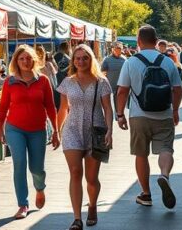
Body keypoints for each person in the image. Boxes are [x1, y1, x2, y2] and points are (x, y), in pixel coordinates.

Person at [115, 25, 182, 210]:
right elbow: (178, 89)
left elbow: (122, 91)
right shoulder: (168, 61)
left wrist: (120, 114)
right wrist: (175, 110)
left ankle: (145, 194)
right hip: (164, 114)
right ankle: (164, 175)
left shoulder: (130, 62)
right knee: (166, 149)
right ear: (156, 40)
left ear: (138, 41)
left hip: (139, 116)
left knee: (141, 154)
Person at [0, 45, 59, 219]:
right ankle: (22, 204)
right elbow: (3, 107)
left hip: (38, 129)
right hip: (15, 129)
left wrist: (56, 130)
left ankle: (40, 188)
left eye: (28, 58)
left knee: (37, 168)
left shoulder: (43, 81)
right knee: (19, 163)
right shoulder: (9, 81)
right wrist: (0, 129)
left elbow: (50, 106)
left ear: (34, 60)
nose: (25, 61)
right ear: (16, 61)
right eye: (21, 58)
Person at [56, 44, 113, 229]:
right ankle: (77, 218)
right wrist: (57, 131)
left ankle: (93, 206)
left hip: (95, 131)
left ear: (91, 60)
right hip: (72, 130)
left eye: (85, 58)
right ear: (73, 61)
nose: (81, 61)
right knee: (74, 172)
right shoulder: (67, 82)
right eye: (78, 58)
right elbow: (63, 109)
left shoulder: (101, 81)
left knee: (91, 178)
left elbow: (107, 108)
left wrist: (110, 130)